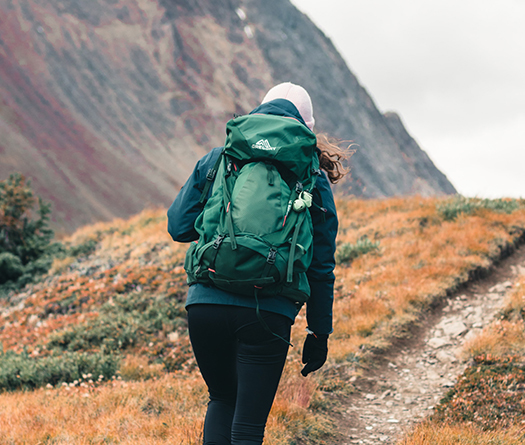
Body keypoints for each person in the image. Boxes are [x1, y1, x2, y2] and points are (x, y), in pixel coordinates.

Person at [167, 82, 348, 445]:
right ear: (307, 127)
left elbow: (179, 227)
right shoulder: (312, 174)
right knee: (248, 426)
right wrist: (319, 333)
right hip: (269, 312)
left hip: (206, 303)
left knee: (221, 399)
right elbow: (320, 266)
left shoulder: (218, 158)